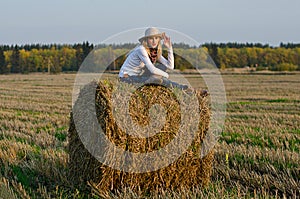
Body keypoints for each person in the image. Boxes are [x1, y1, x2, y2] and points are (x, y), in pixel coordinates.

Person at [118, 27, 189, 90]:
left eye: (156, 38)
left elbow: (170, 66)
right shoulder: (141, 50)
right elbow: (152, 69)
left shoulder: (154, 52)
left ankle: (153, 80)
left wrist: (169, 48)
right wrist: (166, 75)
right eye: (151, 38)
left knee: (162, 67)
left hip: (137, 76)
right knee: (161, 79)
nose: (154, 41)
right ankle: (179, 87)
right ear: (146, 40)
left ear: (159, 40)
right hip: (127, 78)